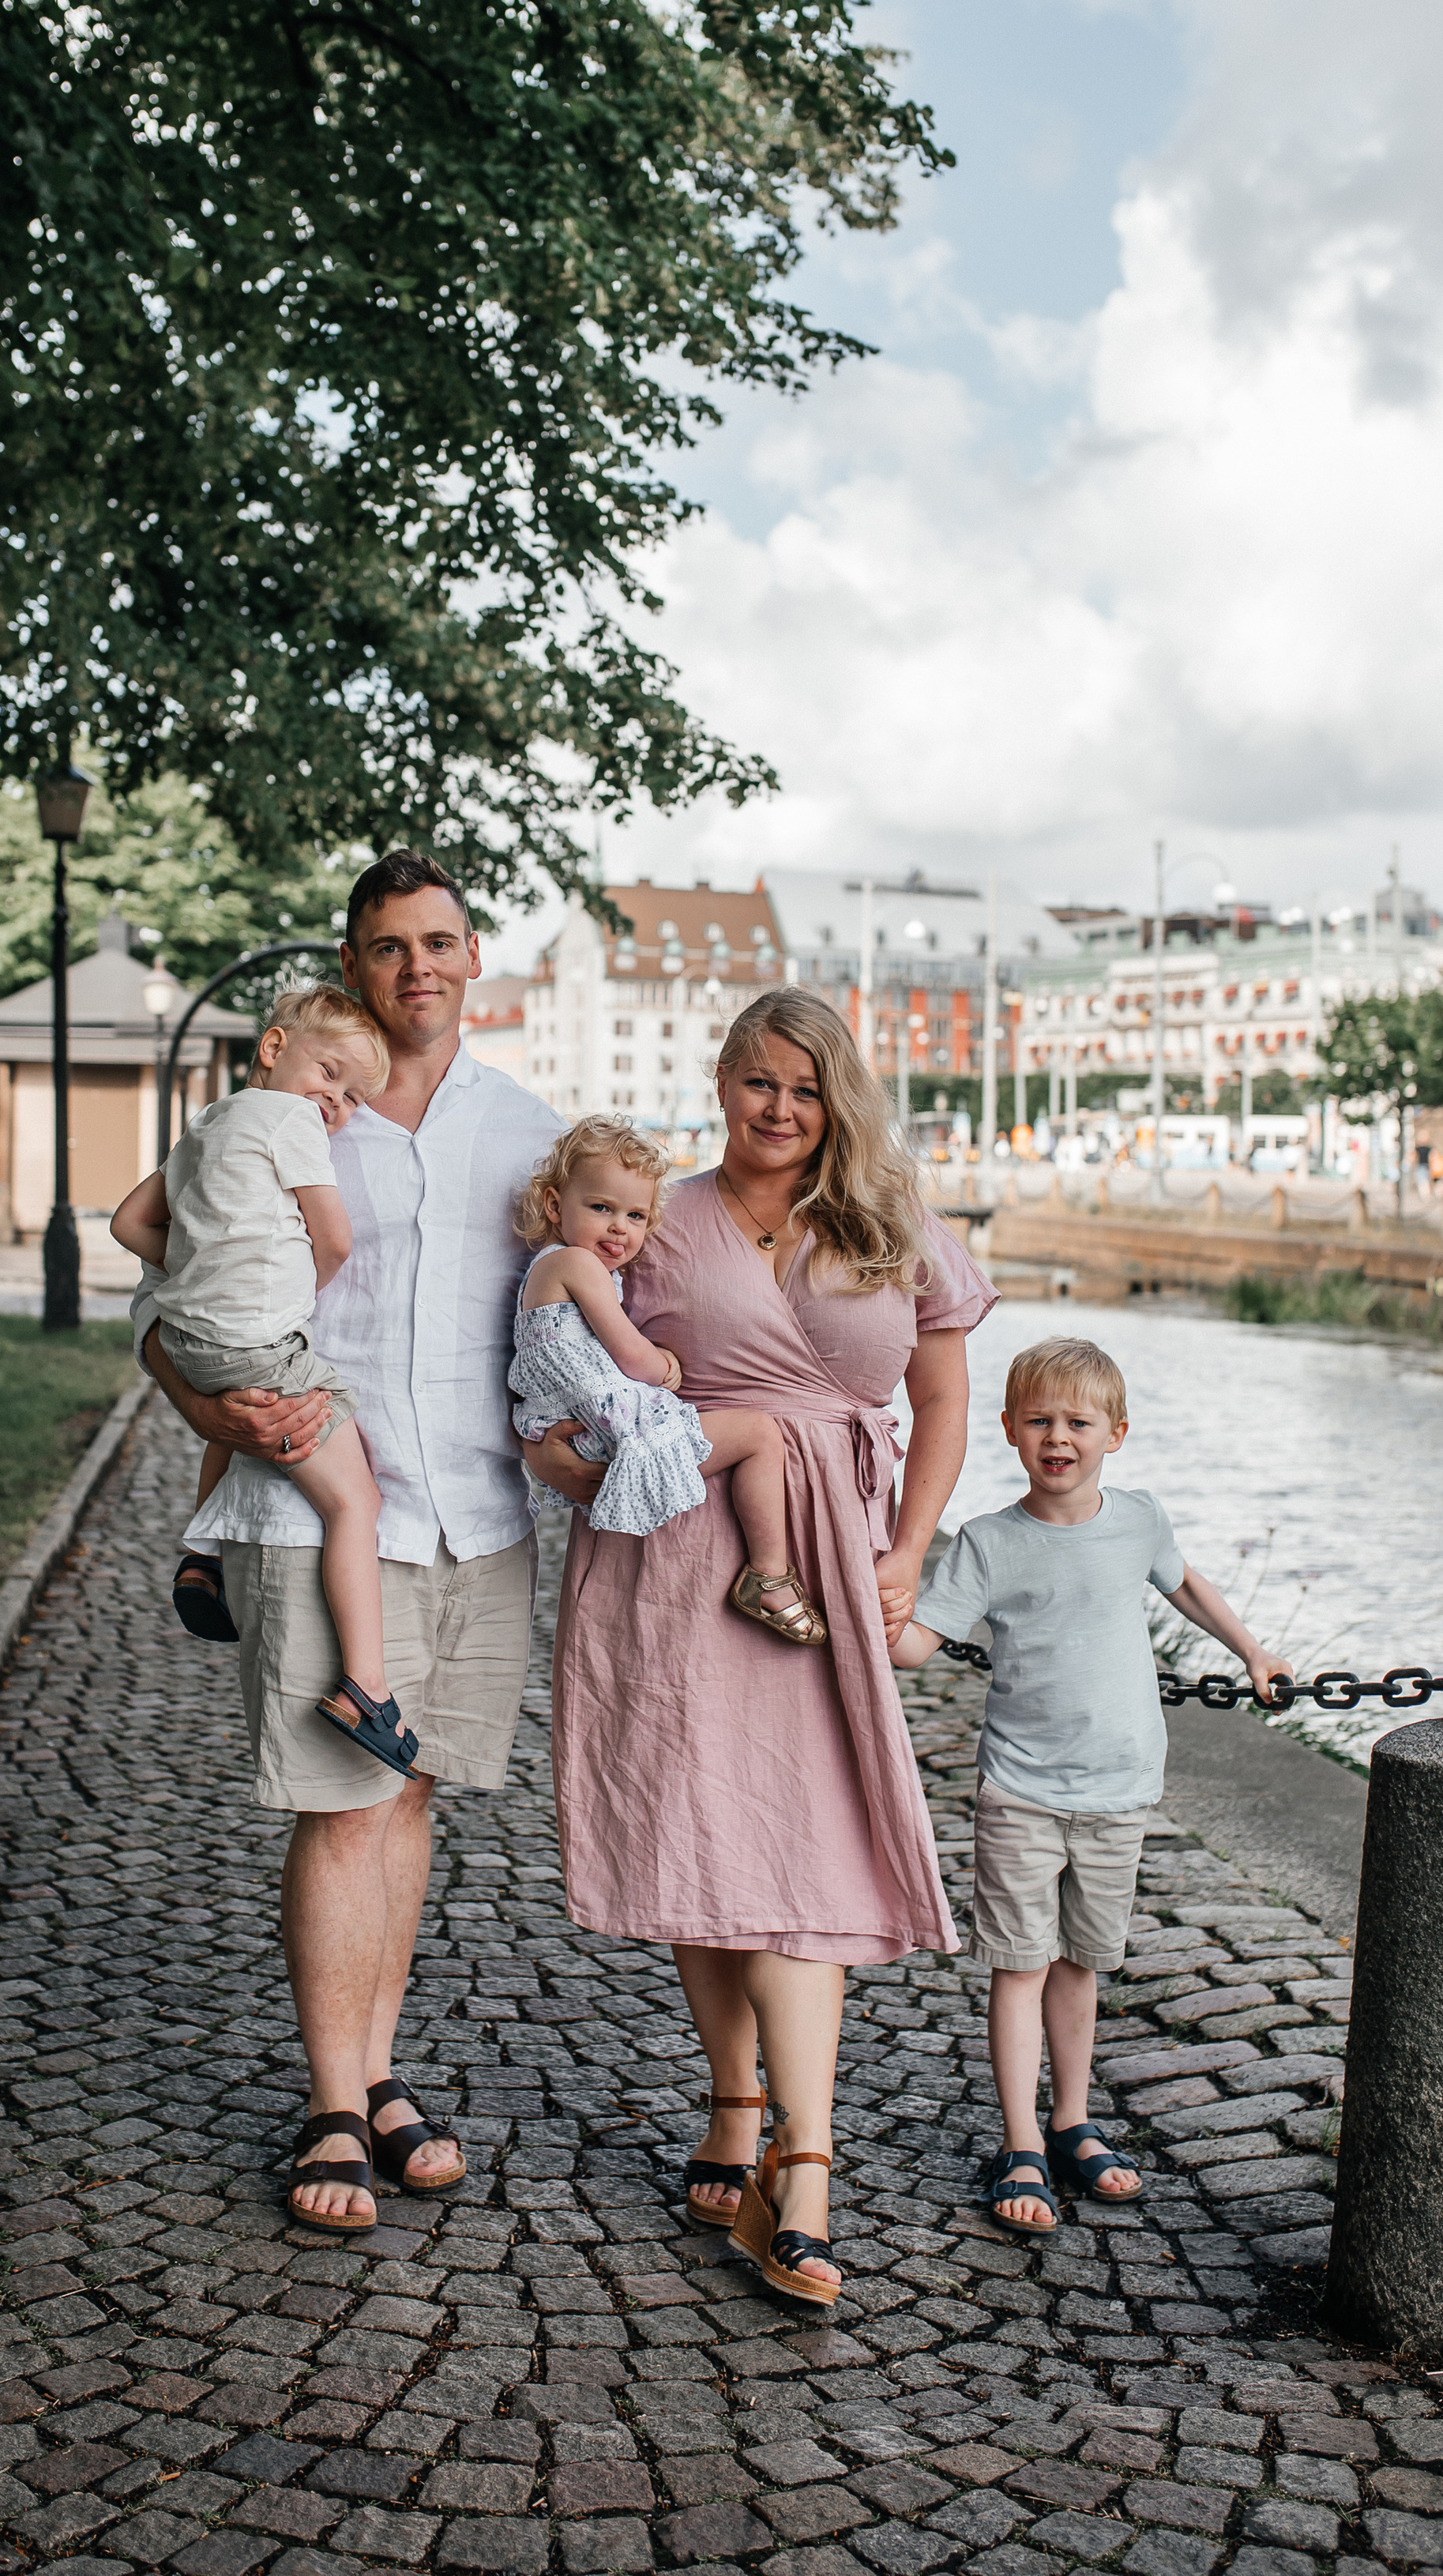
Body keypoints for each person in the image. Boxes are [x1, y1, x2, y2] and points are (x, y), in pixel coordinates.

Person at [530, 984, 994, 2309]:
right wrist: (567, 1471)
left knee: (803, 1845)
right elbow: (555, 1364)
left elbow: (941, 1393)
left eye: (802, 1087)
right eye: (755, 1083)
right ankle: (736, 2104)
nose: (778, 1109)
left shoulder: (892, 1218)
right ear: (720, 1081)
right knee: (706, 1832)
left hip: (830, 1559)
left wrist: (907, 1547)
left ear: (832, 1092)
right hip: (678, 1556)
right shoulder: (651, 1220)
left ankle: (806, 2160)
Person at [133, 851, 560, 2236]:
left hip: (479, 1517)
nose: (416, 966)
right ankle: (329, 2102)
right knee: (339, 1802)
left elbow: (595, 1297)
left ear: (472, 954)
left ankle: (377, 2076)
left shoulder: (529, 1134)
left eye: (438, 940)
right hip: (318, 1507)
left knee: (409, 1794)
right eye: (387, 946)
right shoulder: (288, 1112)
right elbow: (162, 1287)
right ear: (354, 963)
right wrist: (203, 1398)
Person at [894, 1333, 1291, 2230]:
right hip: (1022, 1795)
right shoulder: (991, 1545)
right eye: (1038, 1420)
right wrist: (864, 1597)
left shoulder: (1139, 1520)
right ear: (1007, 1430)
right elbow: (918, 1642)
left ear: (1116, 1432)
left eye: (1078, 1422)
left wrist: (1254, 1651)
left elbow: (1186, 1586)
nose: (1057, 1437)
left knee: (1083, 1963)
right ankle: (1023, 2141)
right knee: (1020, 1965)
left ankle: (1074, 2121)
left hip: (1119, 1790)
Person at [109, 983, 416, 1776]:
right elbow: (338, 1240)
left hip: (193, 1339)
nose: (335, 1102)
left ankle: (201, 1556)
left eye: (353, 1097)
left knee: (240, 1425)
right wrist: (289, 1284)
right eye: (329, 1072)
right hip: (260, 1341)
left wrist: (206, 1271)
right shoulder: (292, 1120)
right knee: (356, 1499)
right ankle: (366, 1688)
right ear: (274, 1047)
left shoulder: (209, 1122)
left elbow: (128, 1223)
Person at [510, 1117, 809, 1635]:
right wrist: (666, 1364)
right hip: (607, 1430)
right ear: (555, 1206)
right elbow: (633, 1358)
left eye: (635, 1215)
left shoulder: (548, 1268)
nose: (618, 1227)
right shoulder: (578, 1266)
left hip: (577, 1429)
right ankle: (768, 1575)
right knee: (760, 1435)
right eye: (600, 1208)